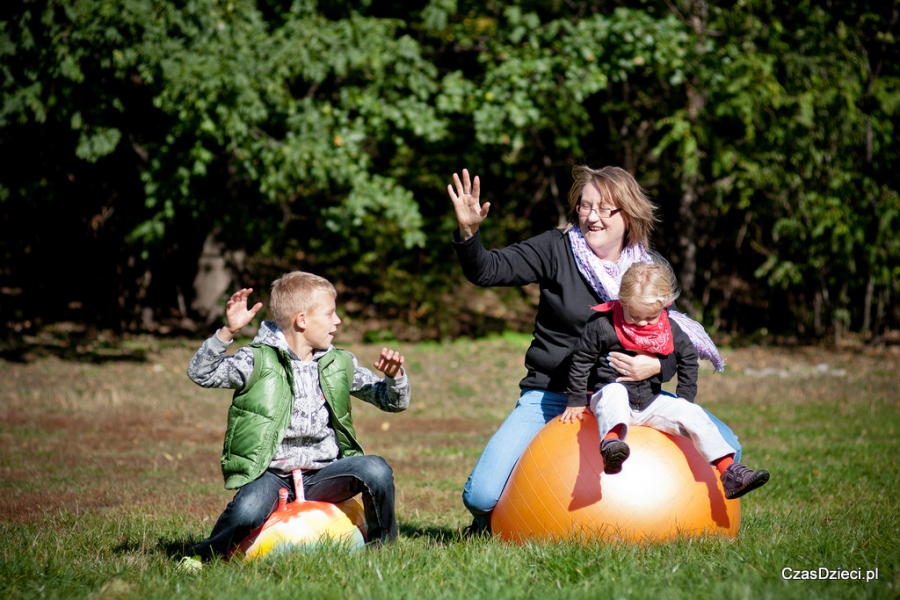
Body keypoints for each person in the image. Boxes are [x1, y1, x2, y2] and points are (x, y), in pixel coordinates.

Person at [447, 165, 738, 533]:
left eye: (604, 209)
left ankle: (680, 521)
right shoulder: (556, 248)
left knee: (731, 448)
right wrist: (469, 233)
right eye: (585, 207)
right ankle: (495, 525)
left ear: (628, 215)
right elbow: (487, 270)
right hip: (552, 395)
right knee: (481, 497)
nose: (592, 217)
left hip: (633, 397)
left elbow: (670, 342)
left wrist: (656, 369)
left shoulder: (648, 269)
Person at [182, 271, 411, 565]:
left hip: (324, 475)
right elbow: (201, 373)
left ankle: (383, 551)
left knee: (376, 470)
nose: (338, 321)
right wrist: (227, 332)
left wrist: (395, 377)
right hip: (271, 475)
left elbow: (392, 402)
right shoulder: (257, 360)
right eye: (330, 314)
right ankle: (203, 557)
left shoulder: (338, 362)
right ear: (302, 320)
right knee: (247, 512)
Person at [560, 261, 769, 498]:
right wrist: (576, 400)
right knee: (614, 392)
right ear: (622, 302)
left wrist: (685, 399)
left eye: (650, 317)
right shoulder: (603, 325)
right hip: (609, 399)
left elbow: (688, 358)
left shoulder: (669, 328)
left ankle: (729, 472)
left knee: (693, 414)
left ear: (665, 306)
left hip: (649, 404)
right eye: (634, 315)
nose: (642, 323)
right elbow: (580, 360)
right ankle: (611, 446)